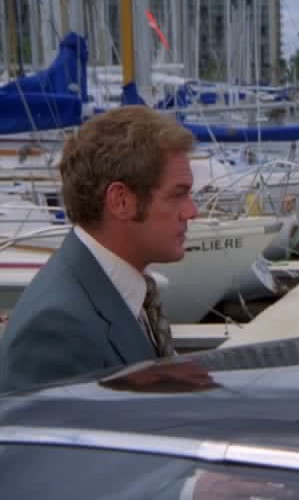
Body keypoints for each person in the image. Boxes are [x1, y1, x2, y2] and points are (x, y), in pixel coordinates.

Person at [0, 105, 198, 393]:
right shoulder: (58, 329)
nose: (192, 212)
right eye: (177, 195)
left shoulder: (110, 291)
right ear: (120, 201)